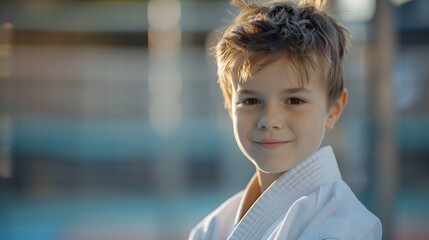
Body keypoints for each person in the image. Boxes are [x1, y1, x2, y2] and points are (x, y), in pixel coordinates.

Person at [189, 0, 382, 239]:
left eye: (294, 101)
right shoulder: (213, 228)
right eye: (251, 101)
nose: (269, 120)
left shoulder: (343, 228)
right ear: (230, 104)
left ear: (333, 110)